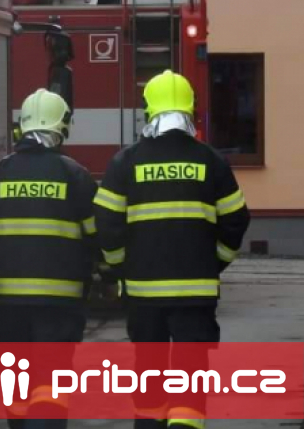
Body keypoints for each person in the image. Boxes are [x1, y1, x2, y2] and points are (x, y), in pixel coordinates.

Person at [94, 70, 251, 429]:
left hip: (144, 295)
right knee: (190, 386)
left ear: (149, 110)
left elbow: (106, 225)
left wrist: (121, 268)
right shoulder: (211, 161)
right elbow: (236, 220)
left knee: (150, 383)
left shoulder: (125, 162)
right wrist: (214, 263)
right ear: (190, 110)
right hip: (196, 295)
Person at [0, 88, 99, 428]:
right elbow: (97, 235)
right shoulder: (75, 175)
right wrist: (109, 273)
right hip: (60, 305)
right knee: (50, 384)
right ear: (62, 126)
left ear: (23, 125)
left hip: (8, 304)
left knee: (16, 385)